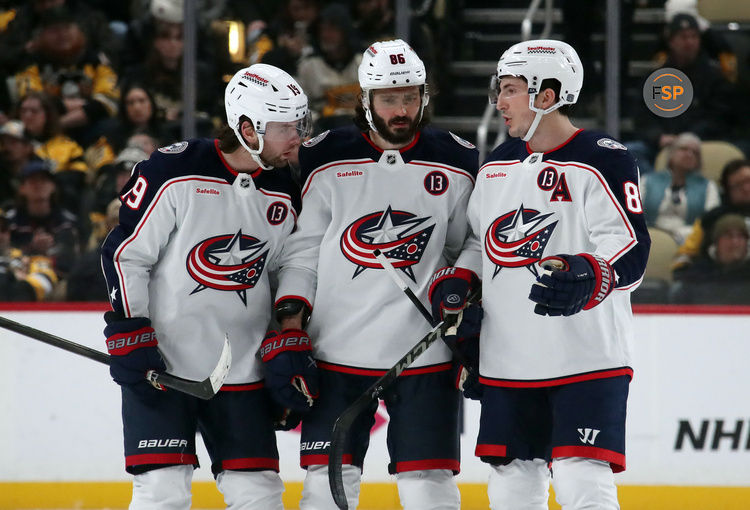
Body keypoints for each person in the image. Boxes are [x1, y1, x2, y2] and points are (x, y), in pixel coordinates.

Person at [430, 40, 650, 509]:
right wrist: (461, 281)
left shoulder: (602, 157)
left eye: (509, 90)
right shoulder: (495, 165)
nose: (499, 102)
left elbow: (630, 245)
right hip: (509, 357)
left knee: (581, 481)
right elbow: (478, 242)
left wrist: (590, 273)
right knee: (510, 487)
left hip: (585, 357)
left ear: (545, 96)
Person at [99, 63, 315, 510]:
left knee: (259, 493)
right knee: (163, 491)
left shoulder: (286, 191)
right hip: (164, 365)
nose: (297, 137)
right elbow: (126, 254)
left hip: (241, 370)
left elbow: (288, 268)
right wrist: (130, 329)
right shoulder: (174, 170)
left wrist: (287, 332)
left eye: (299, 124)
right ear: (247, 128)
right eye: (285, 127)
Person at [275, 39, 478, 509]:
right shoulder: (322, 156)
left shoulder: (458, 159)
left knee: (430, 490)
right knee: (325, 490)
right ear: (365, 100)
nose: (401, 109)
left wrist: (462, 278)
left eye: (410, 96)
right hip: (336, 352)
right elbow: (302, 250)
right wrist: (290, 323)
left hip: (424, 354)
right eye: (389, 98)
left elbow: (473, 241)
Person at [640, 132, 720, 244]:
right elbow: (633, 214)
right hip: (650, 238)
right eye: (684, 149)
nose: (689, 154)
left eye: (695, 153)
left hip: (689, 241)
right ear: (671, 154)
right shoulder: (648, 181)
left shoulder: (707, 186)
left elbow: (710, 221)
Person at [674, 159, 750, 268]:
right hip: (717, 279)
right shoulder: (710, 219)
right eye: (738, 185)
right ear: (727, 191)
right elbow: (685, 256)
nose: (746, 188)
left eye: (749, 181)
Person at [671, 213, 750, 304]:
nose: (735, 242)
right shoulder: (699, 273)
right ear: (716, 241)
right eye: (729, 236)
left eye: (740, 236)